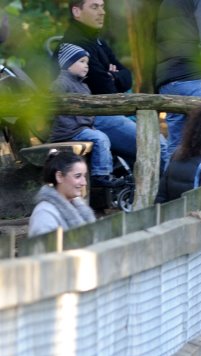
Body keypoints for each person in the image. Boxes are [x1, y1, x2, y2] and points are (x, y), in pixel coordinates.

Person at [62, 0, 167, 171]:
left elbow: (127, 77)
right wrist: (114, 78)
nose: (102, 12)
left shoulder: (97, 41)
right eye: (94, 7)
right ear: (76, 12)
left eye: (102, 6)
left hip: (107, 111)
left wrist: (114, 77)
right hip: (93, 117)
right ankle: (167, 196)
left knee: (156, 145)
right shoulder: (75, 44)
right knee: (157, 145)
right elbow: (105, 87)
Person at [156, 0, 201, 163]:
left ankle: (170, 187)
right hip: (197, 76)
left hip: (169, 80)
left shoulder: (166, 3)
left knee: (176, 147)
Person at [48, 43, 119, 189]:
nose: (86, 66)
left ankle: (105, 172)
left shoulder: (83, 85)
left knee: (100, 137)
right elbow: (50, 103)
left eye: (87, 62)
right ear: (68, 65)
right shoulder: (61, 83)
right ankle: (101, 175)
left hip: (80, 129)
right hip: (68, 131)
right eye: (81, 62)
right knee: (100, 137)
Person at [27, 149, 96, 236]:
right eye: (78, 176)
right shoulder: (44, 214)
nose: (84, 183)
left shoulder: (77, 206)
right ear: (59, 176)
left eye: (84, 176)